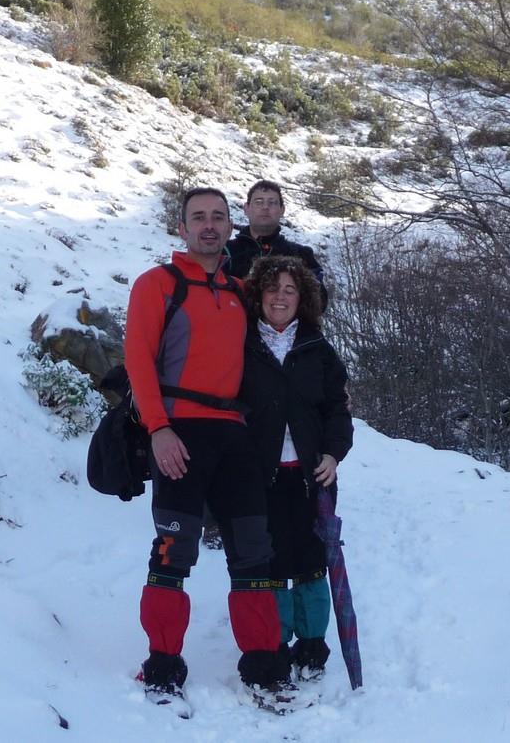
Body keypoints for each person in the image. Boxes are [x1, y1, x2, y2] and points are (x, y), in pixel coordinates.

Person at [124, 187, 289, 700]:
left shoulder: (242, 291)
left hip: (234, 435)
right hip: (180, 431)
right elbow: (138, 361)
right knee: (173, 552)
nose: (209, 225)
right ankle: (162, 663)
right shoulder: (157, 284)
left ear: (230, 227)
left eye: (218, 216)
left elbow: (286, 337)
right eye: (199, 217)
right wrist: (158, 429)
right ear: (182, 228)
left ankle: (263, 664)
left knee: (253, 552)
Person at [239, 255, 353, 682]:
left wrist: (333, 454)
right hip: (260, 477)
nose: (280, 297)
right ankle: (276, 643)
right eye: (273, 288)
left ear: (302, 297)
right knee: (271, 565)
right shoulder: (242, 345)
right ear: (259, 295)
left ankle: (311, 645)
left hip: (311, 478)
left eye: (290, 290)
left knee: (311, 563)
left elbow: (337, 410)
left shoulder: (317, 350)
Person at [225, 181, 326, 294]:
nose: (265, 207)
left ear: (282, 210)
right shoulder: (225, 253)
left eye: (272, 202)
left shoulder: (301, 255)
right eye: (259, 202)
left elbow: (319, 298)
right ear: (246, 208)